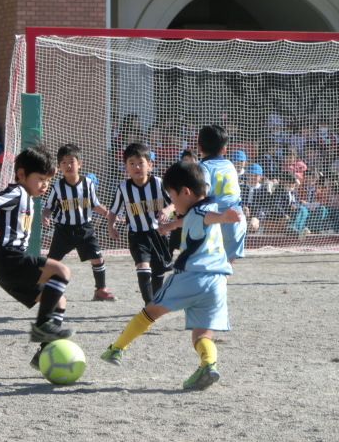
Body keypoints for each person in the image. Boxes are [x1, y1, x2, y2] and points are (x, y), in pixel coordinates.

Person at [100, 161, 241, 390]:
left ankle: (116, 348)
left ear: (185, 192)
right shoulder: (202, 206)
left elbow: (207, 217)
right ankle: (209, 364)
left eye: (172, 197)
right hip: (218, 282)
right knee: (202, 334)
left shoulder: (202, 211)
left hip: (191, 276)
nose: (172, 203)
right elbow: (197, 218)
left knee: (150, 311)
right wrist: (171, 226)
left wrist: (224, 218)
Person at [0, 145, 75, 370]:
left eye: (48, 181)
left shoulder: (28, 198)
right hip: (9, 259)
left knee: (59, 300)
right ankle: (42, 326)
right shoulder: (17, 191)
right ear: (22, 174)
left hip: (8, 267)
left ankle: (42, 354)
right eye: (41, 179)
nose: (45, 185)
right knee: (62, 271)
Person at [42, 144, 116, 302]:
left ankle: (100, 290)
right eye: (64, 162)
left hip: (85, 228)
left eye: (72, 161)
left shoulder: (88, 184)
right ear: (59, 166)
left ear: (79, 163)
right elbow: (48, 207)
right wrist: (45, 215)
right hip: (64, 230)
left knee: (97, 258)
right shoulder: (57, 187)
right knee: (52, 261)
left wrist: (107, 213)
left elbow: (95, 204)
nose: (68, 165)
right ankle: (44, 288)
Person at [107, 142, 173, 305]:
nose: (137, 167)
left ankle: (156, 301)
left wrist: (166, 211)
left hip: (159, 233)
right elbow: (114, 210)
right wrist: (110, 226)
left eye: (141, 163)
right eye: (132, 163)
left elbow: (174, 203)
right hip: (136, 234)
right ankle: (148, 304)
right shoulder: (123, 187)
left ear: (150, 165)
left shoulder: (158, 183)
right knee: (143, 267)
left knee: (158, 271)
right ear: (125, 167)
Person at [197, 125, 246, 263]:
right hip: (236, 218)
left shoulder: (203, 167)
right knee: (227, 265)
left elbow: (204, 188)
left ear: (199, 147)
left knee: (207, 262)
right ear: (224, 149)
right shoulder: (230, 165)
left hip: (214, 218)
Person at [240, 163, 271, 234]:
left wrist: (262, 212)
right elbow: (237, 200)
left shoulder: (263, 189)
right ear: (247, 176)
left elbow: (267, 205)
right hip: (242, 213)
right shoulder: (242, 187)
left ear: (261, 177)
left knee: (252, 225)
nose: (252, 178)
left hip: (257, 214)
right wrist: (243, 207)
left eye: (255, 176)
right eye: (250, 175)